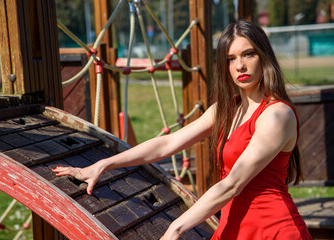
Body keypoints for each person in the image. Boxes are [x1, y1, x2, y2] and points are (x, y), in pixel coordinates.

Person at [53, 20, 312, 239]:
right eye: (230, 58)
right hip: (233, 226)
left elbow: (233, 184)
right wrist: (103, 165)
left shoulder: (277, 115)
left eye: (248, 54)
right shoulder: (225, 109)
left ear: (264, 56)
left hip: (274, 229)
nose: (239, 66)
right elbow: (168, 143)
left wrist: (175, 229)